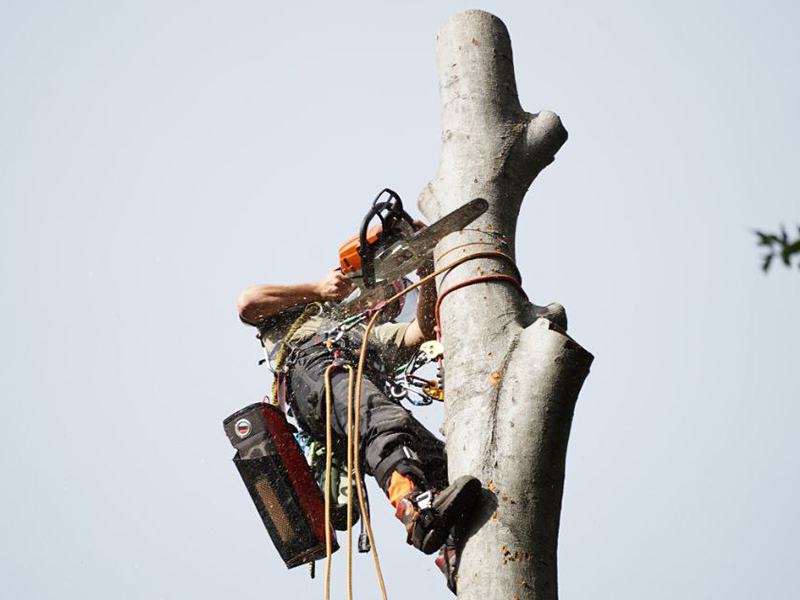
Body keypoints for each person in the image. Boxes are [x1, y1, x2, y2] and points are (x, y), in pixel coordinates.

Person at [237, 262, 480, 575]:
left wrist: (426, 274)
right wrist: (317, 290)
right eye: (384, 294)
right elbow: (248, 303)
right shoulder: (307, 310)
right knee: (383, 421)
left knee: (437, 460)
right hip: (316, 369)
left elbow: (419, 331)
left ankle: (455, 553)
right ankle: (414, 507)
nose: (386, 305)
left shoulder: (369, 333)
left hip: (348, 396)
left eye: (393, 302)